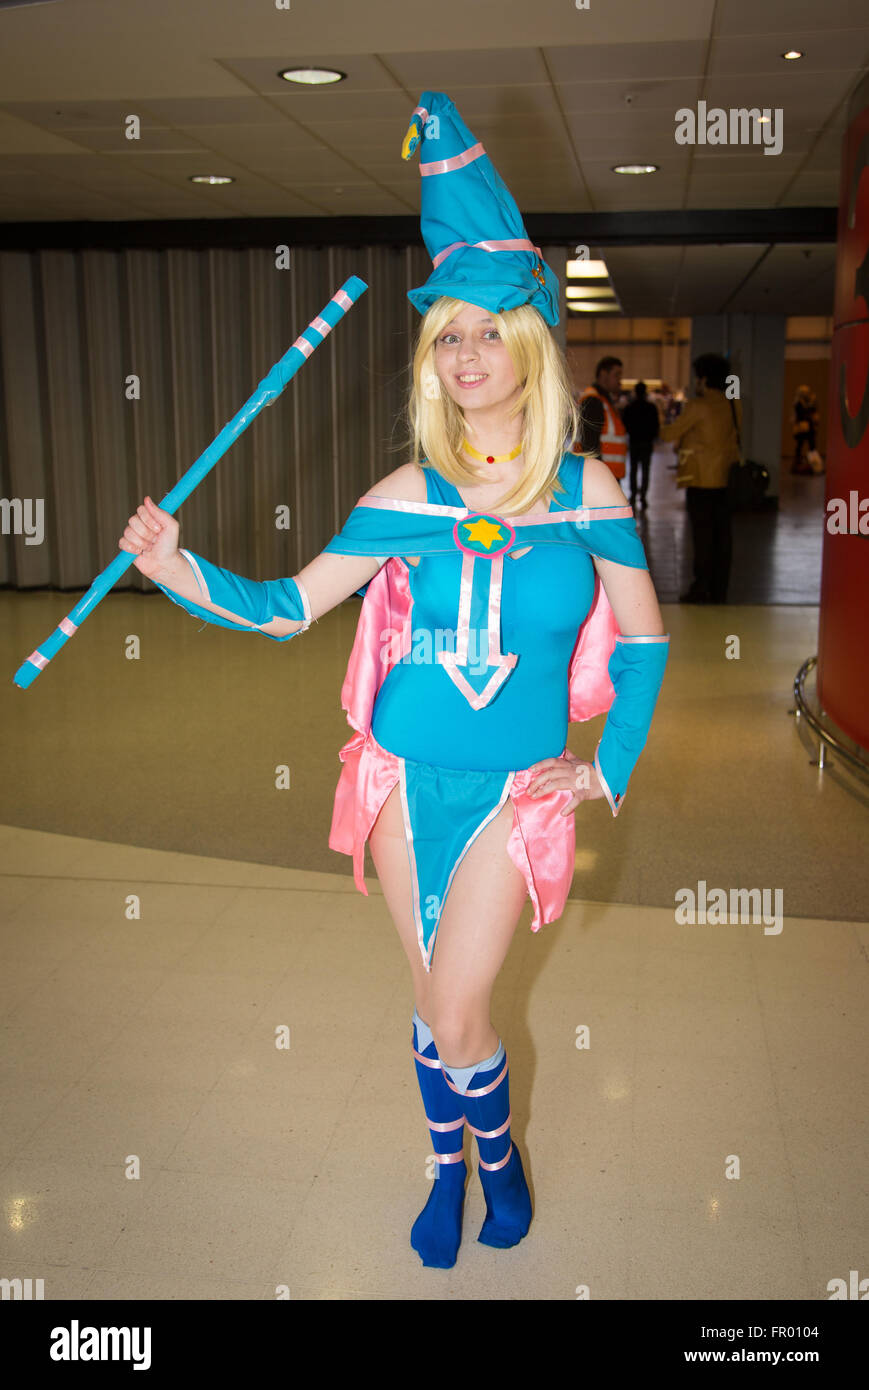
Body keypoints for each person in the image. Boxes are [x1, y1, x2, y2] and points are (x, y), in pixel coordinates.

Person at [117, 91, 669, 1271]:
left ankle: (493, 1151)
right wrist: (173, 566)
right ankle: (451, 1166)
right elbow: (281, 610)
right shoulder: (400, 498)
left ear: (529, 344)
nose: (466, 356)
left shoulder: (588, 495)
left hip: (515, 788)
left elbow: (645, 642)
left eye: (486, 331)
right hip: (400, 779)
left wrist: (605, 763)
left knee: (458, 1003)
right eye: (447, 336)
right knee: (438, 1006)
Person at [658, 352, 741, 604]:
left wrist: (663, 418)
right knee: (723, 536)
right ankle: (720, 589)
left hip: (701, 481)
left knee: (702, 537)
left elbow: (669, 433)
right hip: (726, 479)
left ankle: (700, 588)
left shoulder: (697, 406)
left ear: (703, 379)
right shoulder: (732, 404)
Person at [576, 357, 628, 482]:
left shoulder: (604, 400)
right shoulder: (594, 401)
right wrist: (597, 479)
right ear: (603, 374)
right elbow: (590, 445)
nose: (619, 380)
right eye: (616, 375)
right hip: (601, 478)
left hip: (606, 474)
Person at [621, 381, 660, 509]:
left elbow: (624, 424)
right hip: (646, 443)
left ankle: (633, 493)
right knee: (645, 469)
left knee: (633, 469)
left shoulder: (630, 408)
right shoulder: (651, 408)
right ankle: (643, 495)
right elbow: (656, 425)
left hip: (634, 442)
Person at [791, 385, 822, 474]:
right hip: (802, 428)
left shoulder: (808, 403)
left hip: (809, 428)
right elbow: (802, 413)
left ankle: (815, 465)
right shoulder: (798, 404)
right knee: (800, 446)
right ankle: (798, 463)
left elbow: (813, 411)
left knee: (812, 446)